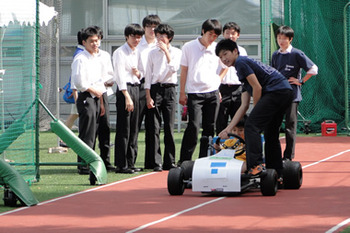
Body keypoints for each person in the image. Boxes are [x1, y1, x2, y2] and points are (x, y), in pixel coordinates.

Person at [216, 39, 293, 179]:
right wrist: (228, 128)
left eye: (225, 54)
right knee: (270, 134)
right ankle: (276, 173)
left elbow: (257, 87)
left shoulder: (241, 63)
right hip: (285, 92)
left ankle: (256, 165)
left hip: (277, 92)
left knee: (251, 126)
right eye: (220, 57)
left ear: (235, 51)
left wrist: (256, 111)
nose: (224, 59)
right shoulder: (242, 73)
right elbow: (244, 106)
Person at [178, 19, 228, 164]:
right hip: (194, 92)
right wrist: (182, 92)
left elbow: (226, 65)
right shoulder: (189, 46)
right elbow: (184, 70)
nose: (212, 38)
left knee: (209, 127)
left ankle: (204, 159)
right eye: (210, 34)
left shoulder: (217, 48)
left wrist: (218, 81)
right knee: (193, 126)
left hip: (212, 92)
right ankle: (185, 160)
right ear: (203, 31)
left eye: (215, 36)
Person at [71, 26, 114, 175]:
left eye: (97, 41)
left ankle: (105, 162)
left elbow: (104, 79)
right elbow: (79, 82)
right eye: (91, 41)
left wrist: (101, 99)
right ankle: (84, 164)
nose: (95, 44)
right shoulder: (80, 58)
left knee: (104, 128)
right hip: (87, 97)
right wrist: (91, 89)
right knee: (88, 132)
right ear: (84, 42)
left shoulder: (100, 57)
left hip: (100, 95)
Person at [271, 25, 318, 161]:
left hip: (292, 95)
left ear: (290, 39)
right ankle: (274, 155)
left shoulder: (297, 54)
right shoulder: (275, 54)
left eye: (284, 38)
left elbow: (314, 69)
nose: (281, 41)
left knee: (290, 127)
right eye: (279, 38)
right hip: (277, 94)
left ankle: (288, 157)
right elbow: (273, 73)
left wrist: (301, 81)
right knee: (274, 125)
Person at [144, 23, 182, 172]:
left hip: (170, 89)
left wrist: (166, 51)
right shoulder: (151, 53)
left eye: (162, 36)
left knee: (169, 126)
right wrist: (148, 96)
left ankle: (170, 161)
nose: (159, 39)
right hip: (155, 89)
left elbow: (174, 68)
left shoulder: (177, 52)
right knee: (154, 127)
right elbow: (148, 75)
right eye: (157, 36)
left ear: (169, 38)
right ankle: (156, 162)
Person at [113, 24, 144, 174]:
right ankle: (121, 164)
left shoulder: (137, 52)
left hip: (136, 88)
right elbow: (119, 76)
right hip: (125, 90)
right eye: (134, 36)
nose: (136, 40)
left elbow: (142, 73)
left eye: (139, 37)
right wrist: (126, 96)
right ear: (127, 36)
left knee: (134, 127)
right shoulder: (120, 52)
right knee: (124, 128)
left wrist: (138, 73)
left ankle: (131, 162)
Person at [137, 14, 161, 170]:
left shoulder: (161, 45)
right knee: (135, 125)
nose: (152, 30)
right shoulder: (138, 45)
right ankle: (128, 161)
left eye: (155, 27)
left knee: (154, 126)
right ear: (144, 28)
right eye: (149, 26)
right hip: (138, 85)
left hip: (155, 86)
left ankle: (153, 161)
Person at [216, 22, 248, 135]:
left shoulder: (242, 51)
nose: (230, 36)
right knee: (221, 121)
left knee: (239, 122)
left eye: (233, 33)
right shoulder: (216, 51)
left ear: (238, 35)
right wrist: (217, 89)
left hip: (238, 89)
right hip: (222, 89)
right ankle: (219, 148)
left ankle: (239, 149)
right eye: (227, 33)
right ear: (223, 34)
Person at [59, 29, 84, 148]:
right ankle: (63, 139)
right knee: (74, 115)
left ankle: (63, 139)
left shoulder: (80, 51)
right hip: (79, 90)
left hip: (79, 90)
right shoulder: (80, 53)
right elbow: (75, 75)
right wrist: (74, 92)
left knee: (76, 115)